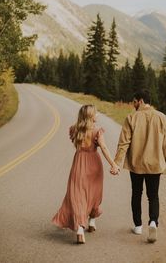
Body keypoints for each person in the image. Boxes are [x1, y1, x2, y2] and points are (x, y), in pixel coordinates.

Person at [52, 104, 118, 244]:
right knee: (94, 194)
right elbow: (104, 148)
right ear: (90, 116)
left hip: (79, 163)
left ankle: (80, 229)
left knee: (78, 196)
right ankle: (92, 221)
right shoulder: (97, 132)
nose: (98, 115)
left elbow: (76, 146)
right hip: (94, 164)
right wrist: (113, 164)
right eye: (96, 113)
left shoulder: (75, 130)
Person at [111, 90, 166, 243]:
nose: (133, 105)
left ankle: (138, 226)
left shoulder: (131, 118)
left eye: (134, 102)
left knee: (136, 193)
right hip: (155, 164)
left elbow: (123, 143)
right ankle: (153, 222)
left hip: (136, 164)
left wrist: (116, 163)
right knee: (153, 195)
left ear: (141, 101)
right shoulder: (161, 117)